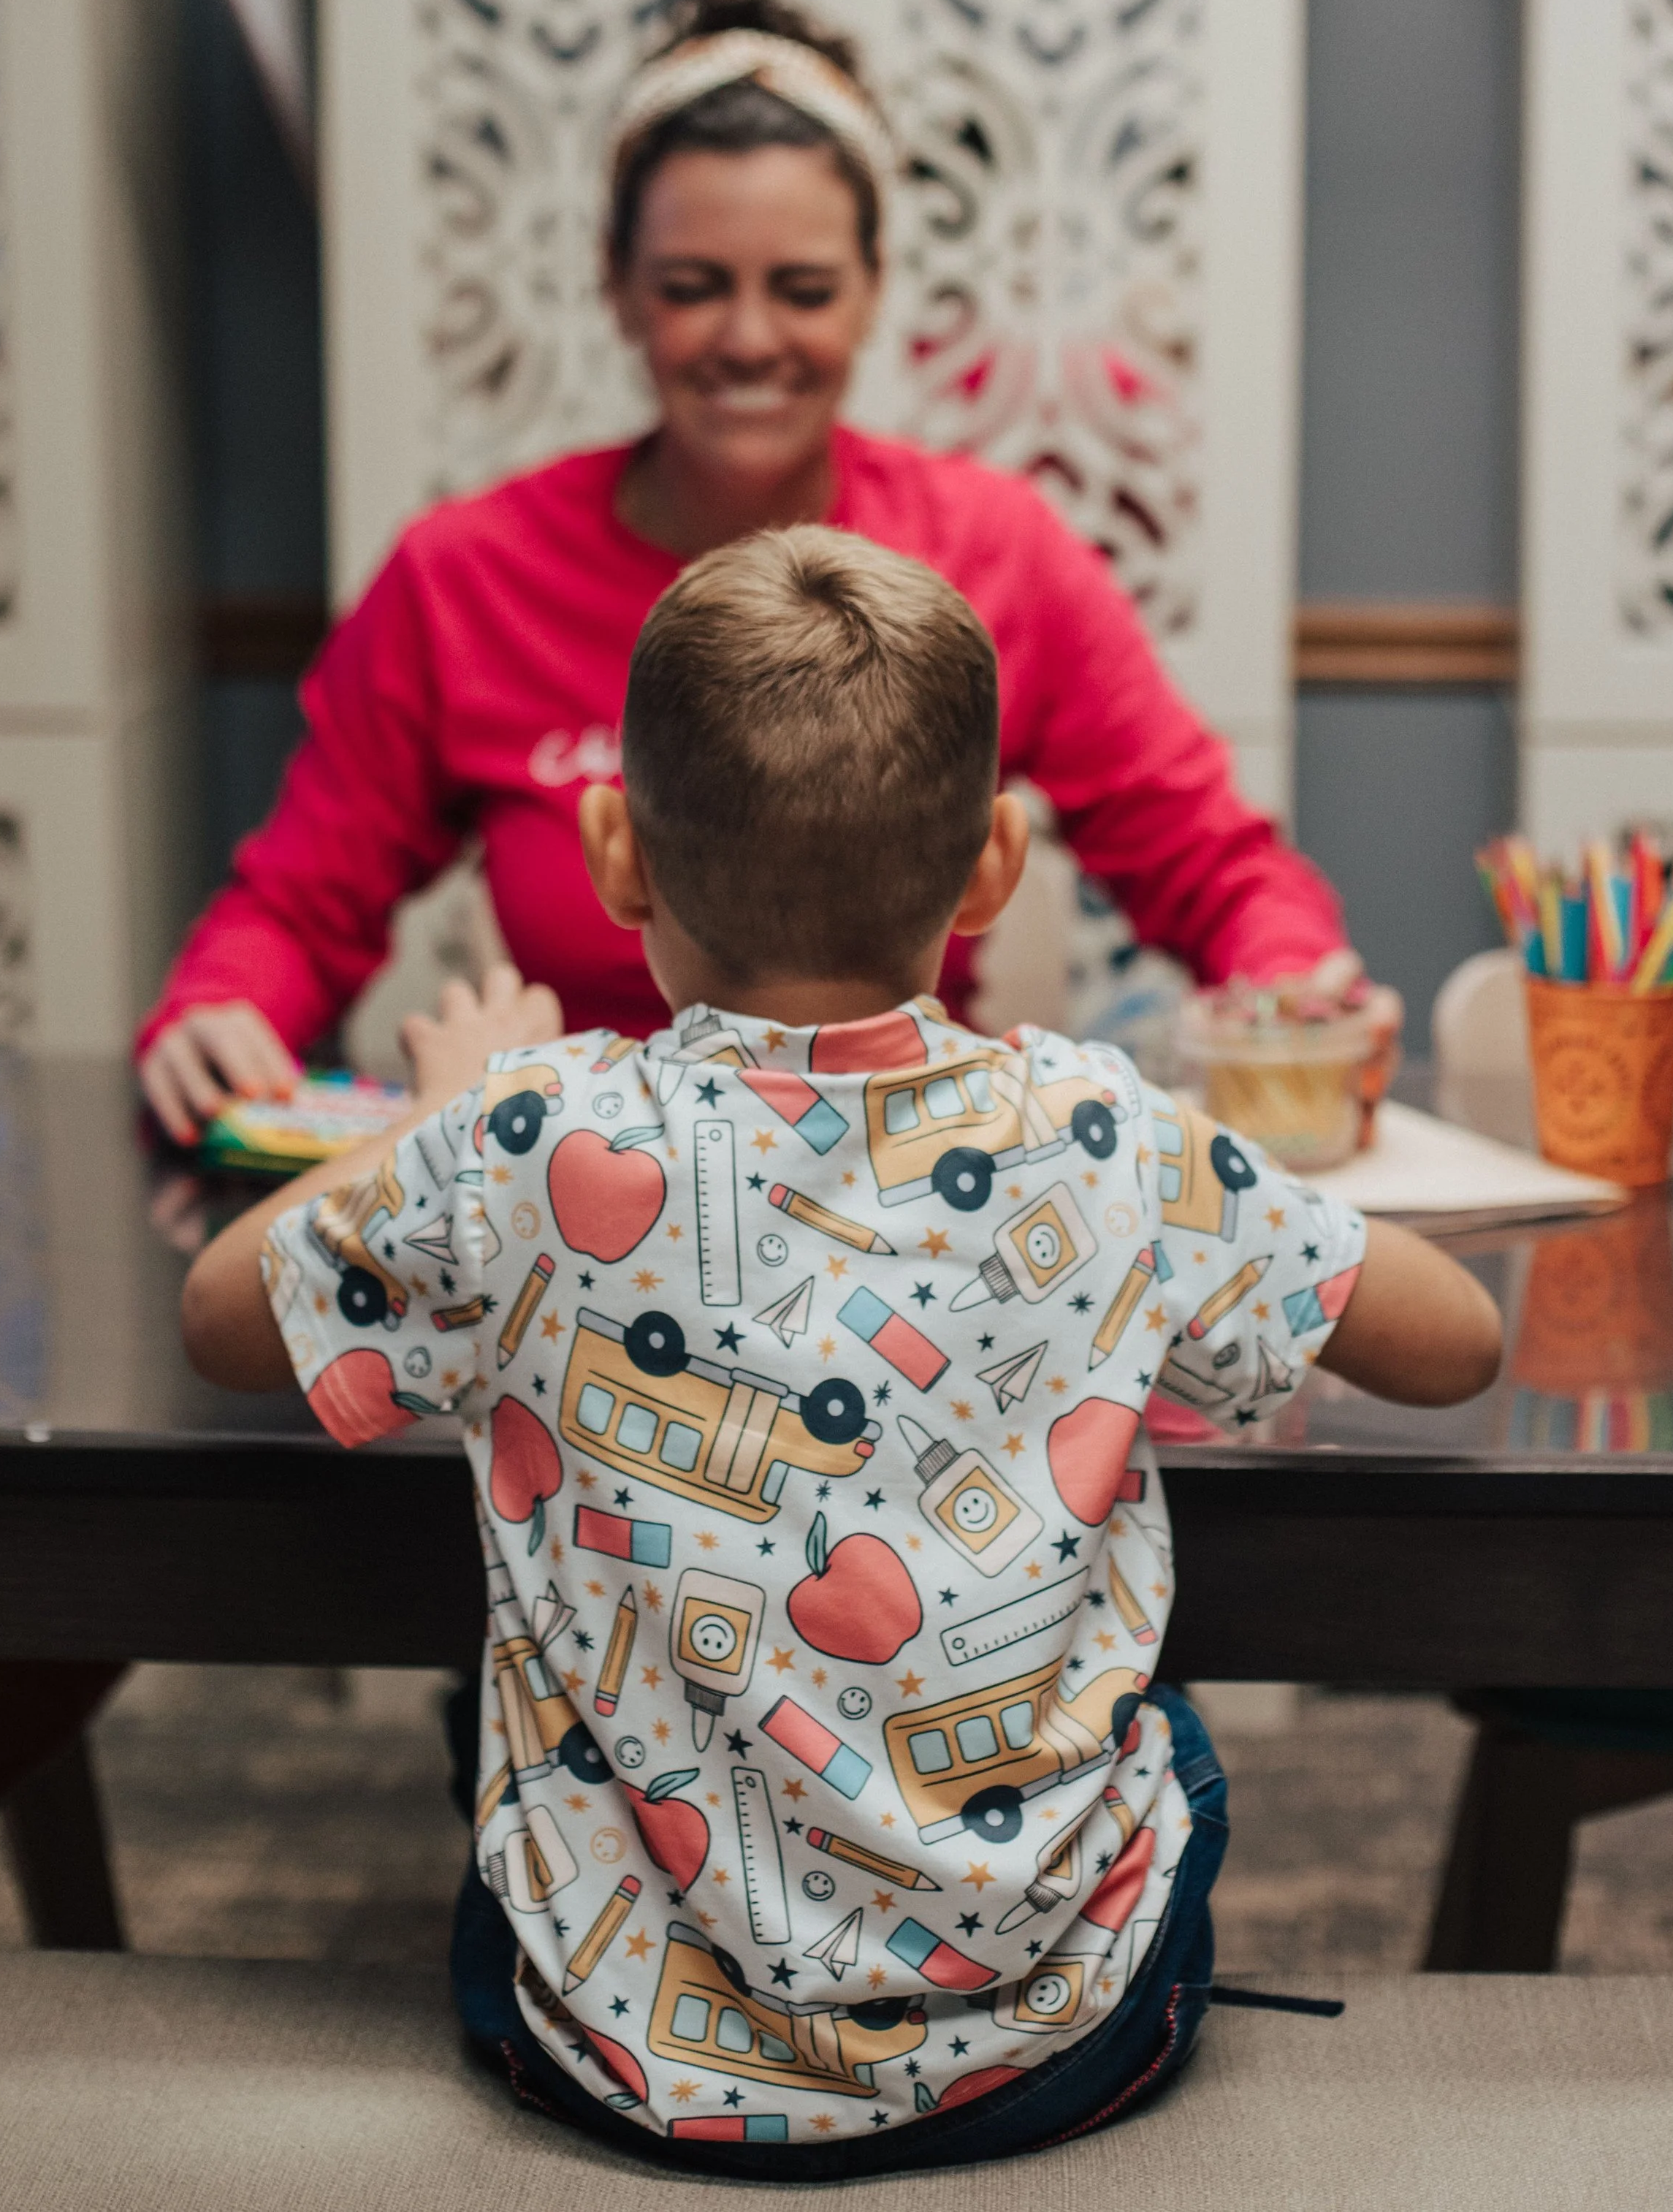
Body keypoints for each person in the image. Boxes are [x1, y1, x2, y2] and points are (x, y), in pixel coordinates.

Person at [183, 527, 1498, 2172]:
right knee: (1159, 1741)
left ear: (614, 854)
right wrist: (1202, 1191)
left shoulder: (522, 1139)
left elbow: (225, 1314)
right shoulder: (1102, 1131)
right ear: (994, 866)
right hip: (1057, 2041)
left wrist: (443, 1113)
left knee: (514, 1738)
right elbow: (1455, 1347)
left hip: (617, 2051)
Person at [140, 0, 1393, 1146]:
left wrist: (1295, 985)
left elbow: (1214, 865)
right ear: (616, 288)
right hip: (577, 1235)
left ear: (871, 291)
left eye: (800, 288)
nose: (748, 339)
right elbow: (299, 903)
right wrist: (221, 1008)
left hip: (911, 1216)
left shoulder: (998, 550)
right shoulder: (461, 575)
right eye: (693, 286)